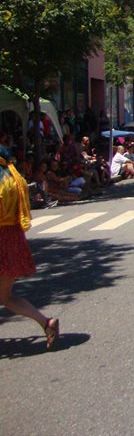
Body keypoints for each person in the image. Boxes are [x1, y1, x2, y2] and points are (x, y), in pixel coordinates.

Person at [0, 145, 60, 350]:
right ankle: (46, 322)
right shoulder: (14, 179)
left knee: (5, 298)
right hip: (12, 240)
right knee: (6, 297)